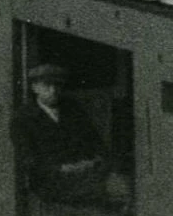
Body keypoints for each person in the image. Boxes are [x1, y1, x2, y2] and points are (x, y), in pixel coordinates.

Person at [11, 62, 109, 205]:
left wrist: (96, 160)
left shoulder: (74, 109)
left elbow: (95, 141)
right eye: (47, 85)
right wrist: (61, 170)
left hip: (85, 175)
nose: (53, 90)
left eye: (57, 85)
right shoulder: (22, 118)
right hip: (50, 185)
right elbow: (29, 161)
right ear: (35, 88)